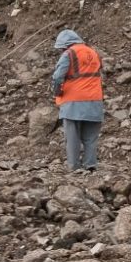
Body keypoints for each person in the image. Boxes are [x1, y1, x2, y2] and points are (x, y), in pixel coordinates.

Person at [50, 29, 104, 171]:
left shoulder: (68, 54)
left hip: (73, 102)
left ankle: (74, 167)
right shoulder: (93, 52)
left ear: (65, 45)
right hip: (95, 101)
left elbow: (57, 77)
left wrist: (57, 92)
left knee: (72, 137)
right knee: (90, 137)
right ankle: (90, 165)